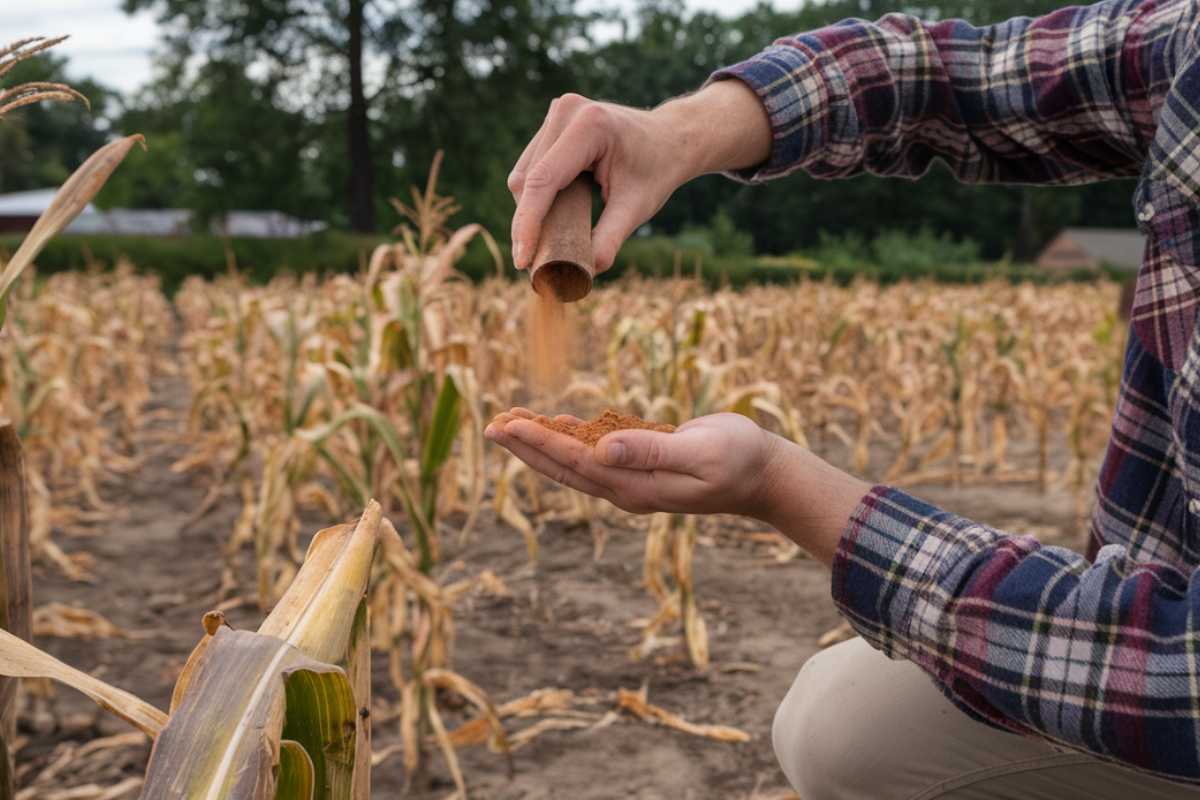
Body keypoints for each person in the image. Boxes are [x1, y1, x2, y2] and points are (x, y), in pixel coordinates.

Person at [486, 0, 1200, 796]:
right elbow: (945, 75)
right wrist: (675, 136)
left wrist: (785, 487)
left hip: (1179, 692)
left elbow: (1181, 678)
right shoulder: (1192, 48)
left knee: (847, 728)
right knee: (847, 724)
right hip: (1161, 576)